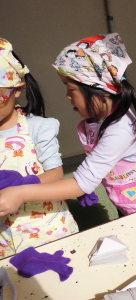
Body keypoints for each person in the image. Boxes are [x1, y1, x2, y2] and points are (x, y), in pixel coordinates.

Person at [0, 33, 136, 220]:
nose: (67, 96)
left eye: (70, 89)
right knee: (127, 220)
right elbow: (91, 171)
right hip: (124, 188)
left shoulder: (121, 128)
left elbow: (81, 182)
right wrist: (84, 182)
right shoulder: (100, 116)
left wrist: (21, 193)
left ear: (97, 90)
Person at [0, 38, 78, 258]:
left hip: (48, 229)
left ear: (18, 90)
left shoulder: (39, 128)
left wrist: (21, 189)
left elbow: (55, 174)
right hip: (5, 241)